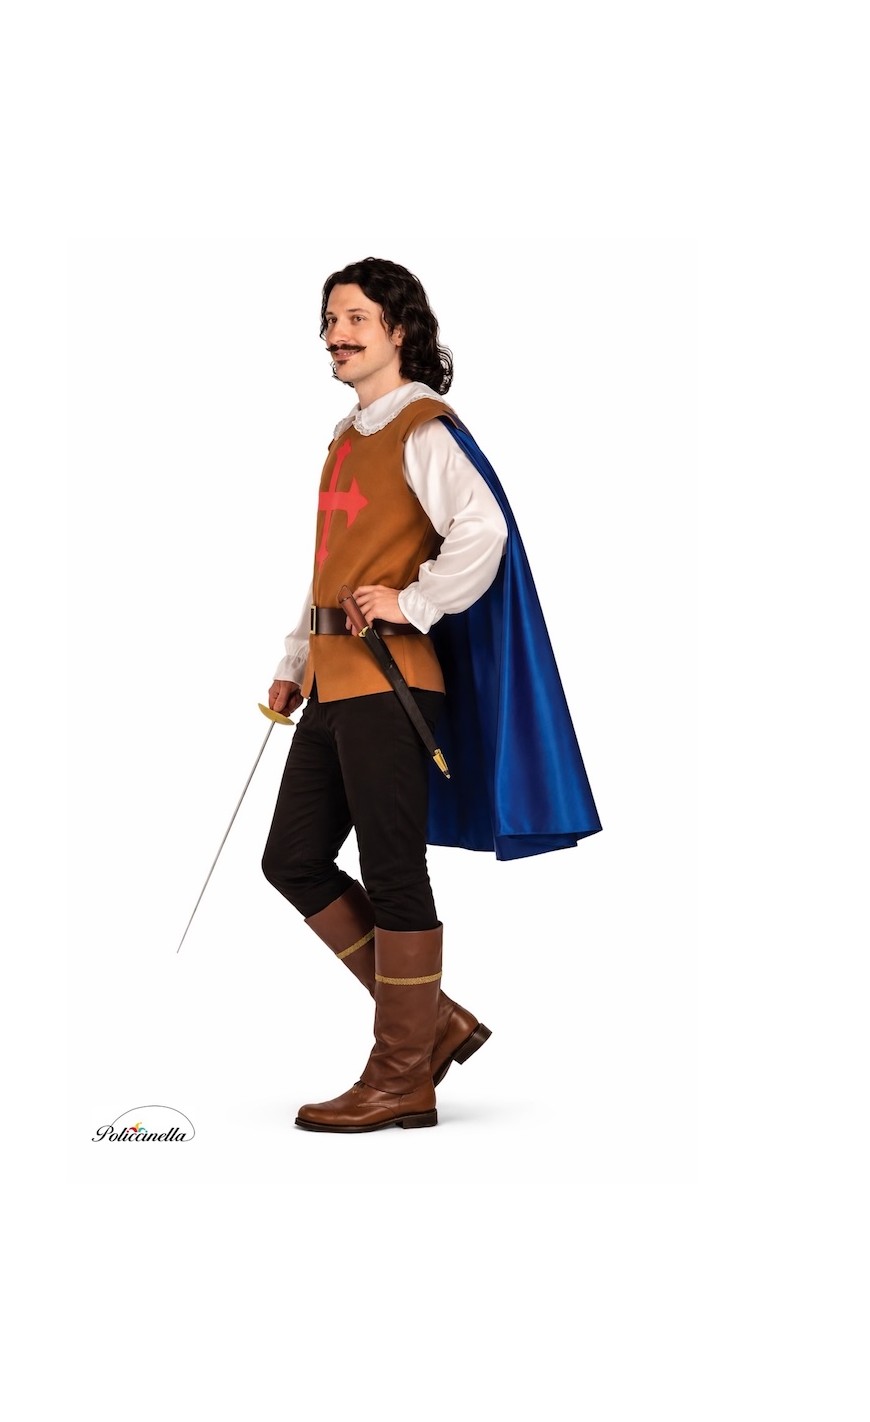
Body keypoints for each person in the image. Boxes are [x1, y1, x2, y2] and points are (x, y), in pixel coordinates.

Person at [262, 257, 601, 1134]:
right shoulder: (346, 437)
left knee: (392, 870)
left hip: (390, 684)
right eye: (330, 320)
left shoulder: (422, 429)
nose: (337, 335)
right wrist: (296, 657)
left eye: (356, 320)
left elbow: (483, 530)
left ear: (400, 330)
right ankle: (434, 1022)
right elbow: (331, 566)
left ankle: (402, 1075)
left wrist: (412, 603)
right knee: (291, 858)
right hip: (334, 682)